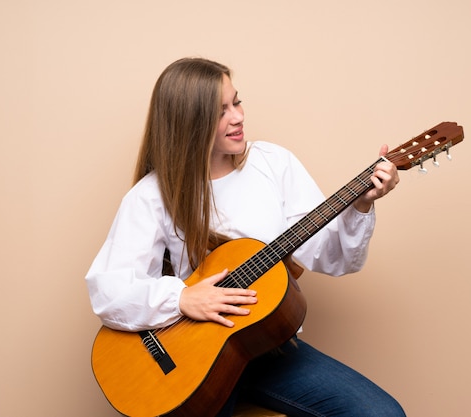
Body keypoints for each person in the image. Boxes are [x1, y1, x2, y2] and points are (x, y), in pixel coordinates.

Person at [86, 57, 406, 417]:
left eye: (236, 102)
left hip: (269, 349)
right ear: (189, 122)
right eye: (220, 111)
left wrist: (361, 206)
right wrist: (182, 299)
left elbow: (334, 258)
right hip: (192, 362)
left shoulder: (274, 164)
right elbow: (107, 290)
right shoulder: (151, 196)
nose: (237, 117)